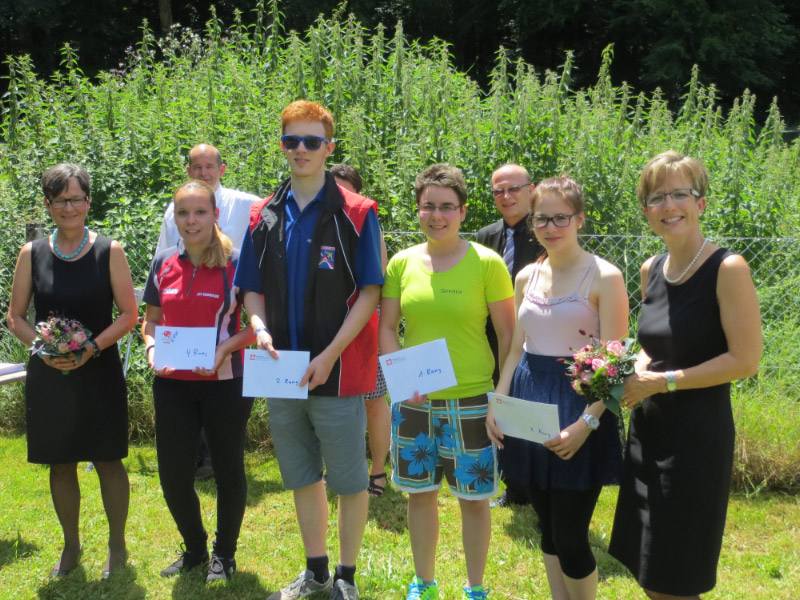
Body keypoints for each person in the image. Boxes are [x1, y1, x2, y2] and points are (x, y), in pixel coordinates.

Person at [236, 101, 383, 600]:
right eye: (291, 140)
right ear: (282, 146)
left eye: (312, 141)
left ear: (329, 148)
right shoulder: (263, 213)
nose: (301, 149)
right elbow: (251, 288)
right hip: (280, 370)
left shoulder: (357, 213)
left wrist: (331, 354)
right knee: (301, 476)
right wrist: (258, 327)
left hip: (336, 371)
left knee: (349, 481)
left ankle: (346, 576)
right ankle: (316, 570)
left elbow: (371, 292)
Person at [609, 151, 762, 600]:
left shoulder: (727, 269)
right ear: (646, 211)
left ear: (701, 203)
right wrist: (637, 365)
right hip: (647, 433)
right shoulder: (651, 269)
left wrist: (662, 381)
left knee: (677, 577)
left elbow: (745, 361)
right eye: (656, 197)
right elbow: (653, 344)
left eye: (680, 193)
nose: (668, 205)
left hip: (696, 443)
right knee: (648, 568)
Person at [486, 175, 629, 600]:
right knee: (546, 529)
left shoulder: (605, 277)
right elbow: (516, 348)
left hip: (580, 408)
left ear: (580, 218)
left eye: (560, 218)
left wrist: (587, 424)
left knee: (570, 536)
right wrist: (499, 402)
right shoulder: (526, 276)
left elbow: (616, 362)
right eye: (541, 219)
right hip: (530, 405)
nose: (550, 227)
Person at [380, 164, 515, 600]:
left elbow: (509, 336)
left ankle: (476, 588)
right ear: (418, 209)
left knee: (474, 500)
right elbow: (387, 328)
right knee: (419, 495)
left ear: (462, 211)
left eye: (446, 207)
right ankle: (424, 582)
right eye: (428, 206)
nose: (436, 216)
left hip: (472, 399)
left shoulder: (487, 263)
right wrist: (401, 380)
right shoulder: (401, 263)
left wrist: (501, 396)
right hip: (414, 401)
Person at [7, 163, 137, 579]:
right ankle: (71, 545)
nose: (69, 208)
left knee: (108, 460)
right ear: (48, 204)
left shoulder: (110, 251)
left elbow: (129, 314)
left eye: (77, 198)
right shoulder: (31, 253)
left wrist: (92, 347)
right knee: (60, 463)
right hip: (51, 374)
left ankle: (117, 547)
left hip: (98, 371)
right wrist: (43, 349)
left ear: (88, 201)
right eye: (61, 200)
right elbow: (15, 317)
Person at [142, 180, 256, 583]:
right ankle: (194, 548)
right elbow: (151, 321)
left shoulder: (237, 263)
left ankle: (224, 554)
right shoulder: (163, 263)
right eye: (183, 213)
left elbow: (260, 325)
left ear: (215, 215)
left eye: (200, 212)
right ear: (175, 217)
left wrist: (225, 348)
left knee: (227, 471)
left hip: (225, 383)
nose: (191, 221)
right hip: (172, 383)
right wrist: (152, 350)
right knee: (173, 476)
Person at [156, 143, 261, 480]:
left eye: (209, 166)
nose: (203, 172)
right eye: (197, 167)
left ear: (222, 169)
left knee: (219, 397)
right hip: (185, 313)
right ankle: (196, 459)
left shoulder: (247, 204)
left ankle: (217, 460)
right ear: (188, 171)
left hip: (228, 303)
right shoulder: (172, 210)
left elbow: (272, 225)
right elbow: (165, 257)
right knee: (186, 393)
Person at [476, 163, 542, 508]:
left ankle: (539, 485)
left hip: (537, 338)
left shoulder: (547, 232)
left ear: (532, 190)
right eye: (498, 191)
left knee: (532, 409)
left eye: (514, 188)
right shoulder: (485, 236)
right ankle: (514, 486)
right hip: (492, 337)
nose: (506, 196)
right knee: (503, 408)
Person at [330, 163, 390, 498]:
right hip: (325, 324)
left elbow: (377, 277)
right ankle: (338, 467)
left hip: (365, 321)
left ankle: (378, 470)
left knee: (373, 399)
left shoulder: (367, 222)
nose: (338, 195)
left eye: (345, 190)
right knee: (331, 402)